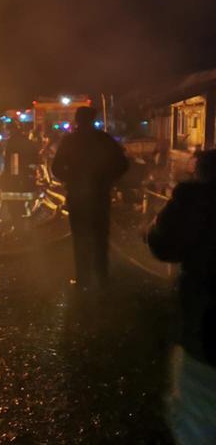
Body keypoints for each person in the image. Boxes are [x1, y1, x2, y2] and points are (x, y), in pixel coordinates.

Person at [146, 149, 216, 444]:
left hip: (207, 331)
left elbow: (164, 246)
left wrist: (151, 228)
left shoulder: (194, 200)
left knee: (198, 419)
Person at [52, 107, 128, 289]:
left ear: (77, 120)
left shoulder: (69, 141)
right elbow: (123, 163)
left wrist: (70, 179)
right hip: (100, 197)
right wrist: (108, 179)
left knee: (80, 237)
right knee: (101, 236)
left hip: (77, 197)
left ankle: (82, 279)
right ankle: (102, 278)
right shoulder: (104, 139)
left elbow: (56, 168)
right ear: (93, 119)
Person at [0, 121, 40, 233]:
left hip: (16, 181)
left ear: (10, 130)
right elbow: (35, 159)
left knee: (14, 205)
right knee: (25, 203)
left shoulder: (12, 142)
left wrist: (5, 178)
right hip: (28, 178)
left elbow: (13, 164)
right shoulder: (27, 141)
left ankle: (18, 229)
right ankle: (26, 227)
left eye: (7, 130)